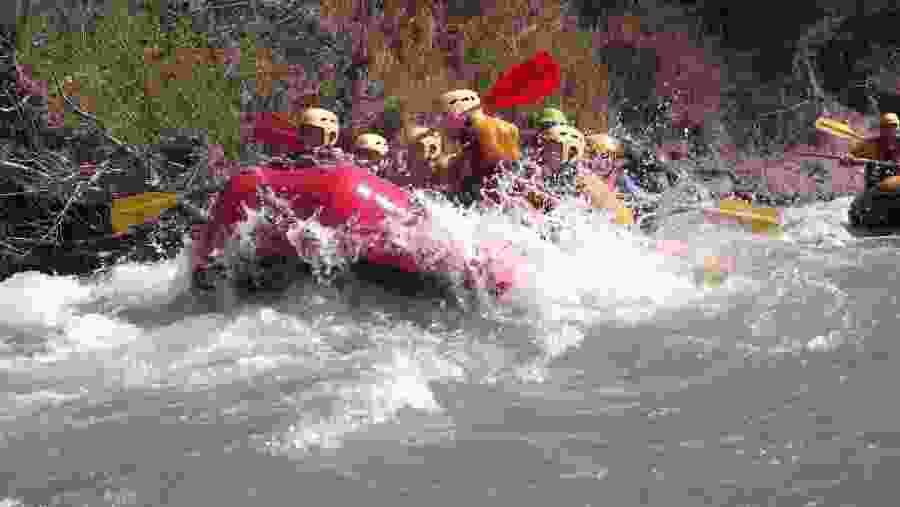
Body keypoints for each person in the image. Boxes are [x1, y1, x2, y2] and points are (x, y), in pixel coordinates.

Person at [840, 112, 900, 192]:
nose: (890, 131)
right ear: (881, 130)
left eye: (893, 128)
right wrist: (847, 158)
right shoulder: (872, 145)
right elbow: (850, 158)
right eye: (886, 128)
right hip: (876, 190)